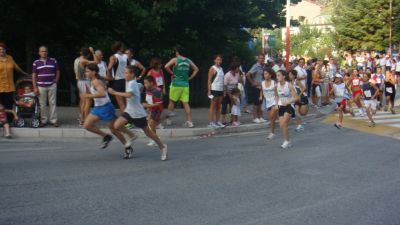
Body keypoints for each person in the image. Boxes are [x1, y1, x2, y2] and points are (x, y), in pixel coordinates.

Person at [109, 65, 168, 161]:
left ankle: (162, 146)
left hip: (138, 113)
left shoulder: (132, 83)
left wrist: (114, 92)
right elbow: (140, 86)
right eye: (125, 72)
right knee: (117, 125)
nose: (125, 74)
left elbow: (129, 94)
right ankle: (132, 135)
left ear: (132, 74)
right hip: (129, 111)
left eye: (127, 73)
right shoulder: (131, 82)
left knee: (148, 133)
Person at [81, 63, 134, 159]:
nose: (86, 73)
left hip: (106, 107)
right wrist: (84, 113)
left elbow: (102, 94)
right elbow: (90, 98)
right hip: (97, 108)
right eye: (85, 71)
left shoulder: (97, 82)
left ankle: (127, 146)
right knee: (86, 125)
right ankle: (106, 136)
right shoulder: (90, 81)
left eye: (87, 71)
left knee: (114, 129)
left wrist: (88, 96)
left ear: (94, 72)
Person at [164, 46, 199, 128]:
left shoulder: (175, 60)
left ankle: (168, 119)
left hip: (176, 84)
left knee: (172, 101)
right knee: (186, 103)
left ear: (177, 52)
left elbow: (166, 66)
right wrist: (190, 77)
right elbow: (196, 69)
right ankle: (190, 122)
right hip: (185, 85)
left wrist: (172, 73)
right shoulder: (188, 60)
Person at [32, 46, 60, 127]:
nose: (44, 53)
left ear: (47, 52)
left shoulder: (53, 60)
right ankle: (43, 120)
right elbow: (34, 75)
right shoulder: (35, 62)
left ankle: (53, 120)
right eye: (42, 51)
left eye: (45, 51)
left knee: (53, 103)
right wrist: (35, 87)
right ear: (39, 53)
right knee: (42, 104)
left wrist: (56, 80)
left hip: (52, 85)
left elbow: (58, 71)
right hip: (40, 86)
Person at [0, 42, 28, 115]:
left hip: (9, 86)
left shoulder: (10, 58)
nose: (1, 51)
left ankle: (8, 120)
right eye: (0, 49)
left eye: (3, 49)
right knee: (1, 105)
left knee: (9, 104)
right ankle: (2, 120)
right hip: (0, 86)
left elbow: (16, 67)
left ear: (5, 50)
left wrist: (24, 73)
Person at [274, 70, 299, 149]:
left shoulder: (289, 85)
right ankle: (287, 140)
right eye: (276, 75)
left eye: (279, 75)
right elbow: (277, 96)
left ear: (283, 76)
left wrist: (289, 102)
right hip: (281, 106)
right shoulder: (276, 86)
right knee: (282, 125)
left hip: (289, 106)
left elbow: (297, 98)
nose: (277, 77)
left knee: (284, 123)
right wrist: (276, 104)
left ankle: (286, 142)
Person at [74, 47, 96, 126]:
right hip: (85, 82)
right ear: (87, 55)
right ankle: (86, 119)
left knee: (82, 101)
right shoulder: (84, 61)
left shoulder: (77, 59)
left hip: (79, 81)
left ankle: (82, 119)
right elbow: (96, 62)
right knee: (88, 102)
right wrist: (93, 52)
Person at [107, 41, 128, 112]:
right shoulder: (126, 56)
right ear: (120, 48)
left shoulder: (113, 57)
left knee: (121, 103)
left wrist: (110, 76)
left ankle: (125, 122)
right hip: (126, 80)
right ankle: (128, 120)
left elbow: (109, 68)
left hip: (117, 81)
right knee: (126, 102)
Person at [143, 76, 164, 146]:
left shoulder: (157, 91)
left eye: (146, 83)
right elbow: (148, 101)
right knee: (151, 126)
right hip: (151, 110)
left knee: (151, 125)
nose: (144, 85)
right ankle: (156, 139)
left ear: (151, 83)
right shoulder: (148, 90)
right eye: (144, 83)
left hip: (157, 110)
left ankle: (155, 139)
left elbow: (158, 104)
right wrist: (148, 109)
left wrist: (147, 106)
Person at [246, 54, 266, 123]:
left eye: (263, 58)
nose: (262, 59)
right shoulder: (256, 66)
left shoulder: (263, 66)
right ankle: (254, 117)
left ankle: (259, 116)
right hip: (256, 87)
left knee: (260, 103)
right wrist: (253, 82)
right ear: (258, 59)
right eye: (260, 58)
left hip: (262, 87)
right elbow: (248, 74)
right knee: (256, 103)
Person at [260, 68, 278, 140]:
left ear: (270, 75)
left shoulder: (274, 82)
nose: (265, 75)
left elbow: (277, 94)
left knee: (271, 117)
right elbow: (262, 90)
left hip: (274, 101)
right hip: (267, 102)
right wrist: (261, 96)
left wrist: (277, 104)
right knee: (272, 118)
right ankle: (273, 130)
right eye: (264, 74)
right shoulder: (262, 83)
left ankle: (272, 133)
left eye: (266, 74)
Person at [207, 55, 225, 128]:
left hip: (220, 89)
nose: (219, 61)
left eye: (220, 60)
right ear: (214, 60)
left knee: (218, 107)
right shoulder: (212, 68)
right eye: (217, 59)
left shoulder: (221, 68)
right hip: (214, 89)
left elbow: (222, 80)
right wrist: (209, 91)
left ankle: (217, 121)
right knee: (213, 106)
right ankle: (211, 123)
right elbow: (209, 80)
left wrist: (223, 90)